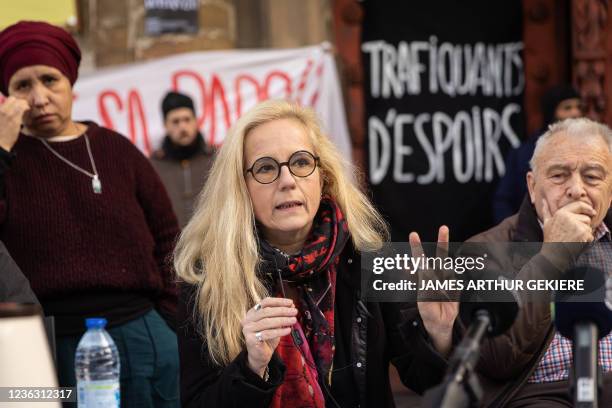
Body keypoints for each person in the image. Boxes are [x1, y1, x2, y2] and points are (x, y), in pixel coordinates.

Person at [174, 100, 459, 407]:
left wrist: (439, 336)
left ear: (322, 176)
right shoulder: (209, 280)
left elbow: (426, 381)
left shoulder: (366, 259)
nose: (287, 181)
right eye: (266, 167)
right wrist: (252, 368)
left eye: (300, 162)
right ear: (240, 188)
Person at [0, 21, 180, 407]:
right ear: (6, 96)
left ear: (70, 83)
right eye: (23, 86)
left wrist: (167, 320)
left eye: (50, 80)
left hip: (141, 337)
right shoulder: (7, 160)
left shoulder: (117, 150)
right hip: (48, 346)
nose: (40, 98)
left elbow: (168, 237)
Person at [469, 117, 612, 407]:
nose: (576, 189)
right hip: (538, 395)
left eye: (593, 177)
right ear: (532, 187)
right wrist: (553, 255)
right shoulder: (484, 250)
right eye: (559, 176)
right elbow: (499, 355)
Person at [493, 85, 583, 223]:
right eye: (567, 108)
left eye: (579, 107)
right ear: (551, 113)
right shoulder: (524, 153)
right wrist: (516, 233)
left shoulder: (590, 150)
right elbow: (503, 200)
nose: (575, 113)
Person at [150, 91, 214, 228]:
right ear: (165, 125)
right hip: (172, 247)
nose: (182, 127)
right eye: (175, 121)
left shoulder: (216, 159)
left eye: (187, 119)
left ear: (196, 121)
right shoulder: (154, 166)